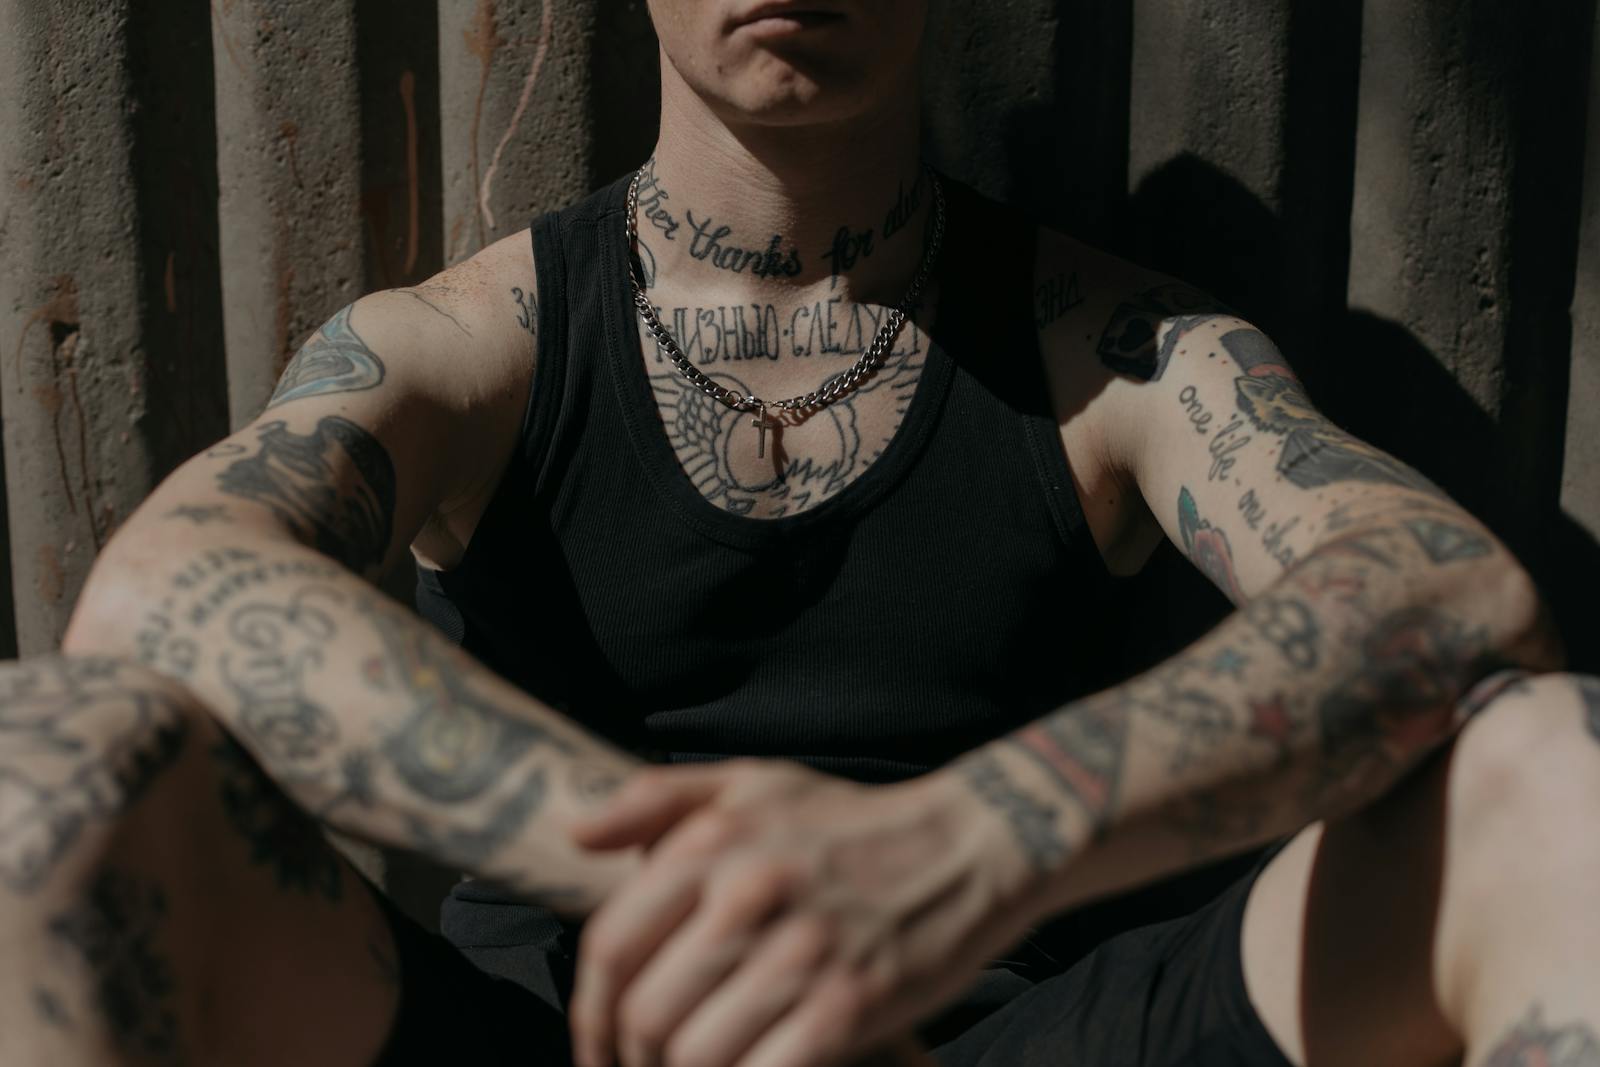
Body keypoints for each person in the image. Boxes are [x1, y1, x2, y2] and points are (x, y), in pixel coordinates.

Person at [4, 1, 1596, 1064]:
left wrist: (959, 847)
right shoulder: (463, 345)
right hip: (556, 1038)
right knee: (40, 771)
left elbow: (1453, 595)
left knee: (1554, 770)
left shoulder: (1116, 354)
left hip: (988, 1040)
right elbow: (161, 594)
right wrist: (696, 879)